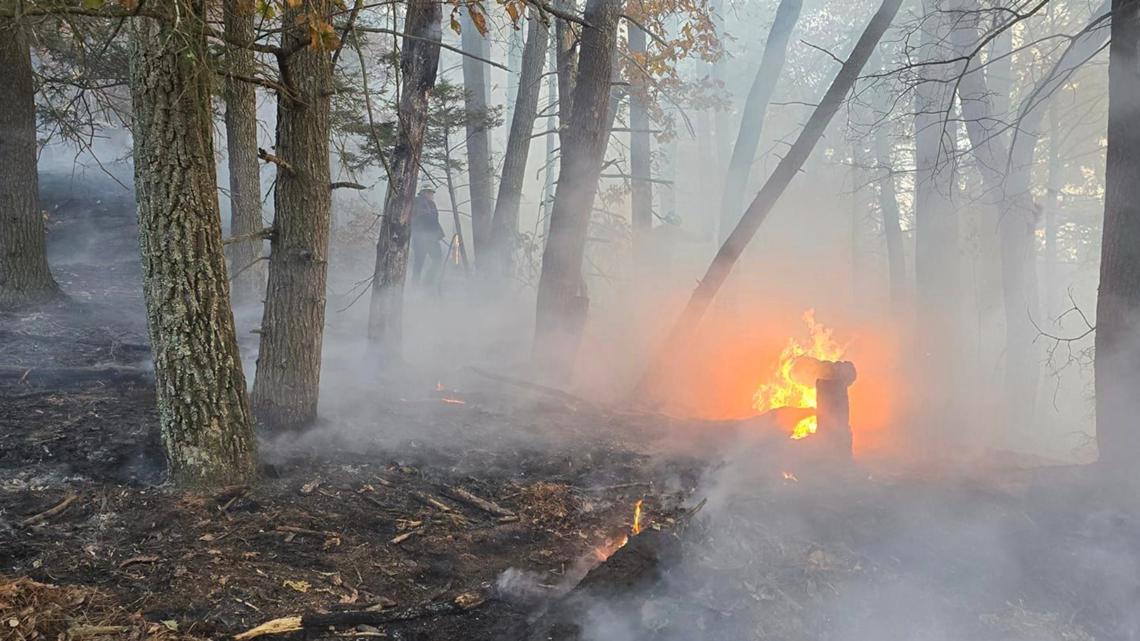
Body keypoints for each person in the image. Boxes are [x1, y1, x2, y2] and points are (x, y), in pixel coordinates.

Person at [410, 188, 445, 284]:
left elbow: (434, 221)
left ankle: (428, 282)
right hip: (420, 239)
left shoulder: (432, 204)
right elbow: (415, 219)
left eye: (432, 193)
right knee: (418, 264)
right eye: (430, 193)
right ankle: (415, 285)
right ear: (424, 193)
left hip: (432, 239)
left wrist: (439, 234)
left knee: (438, 260)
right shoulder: (416, 202)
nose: (432, 195)